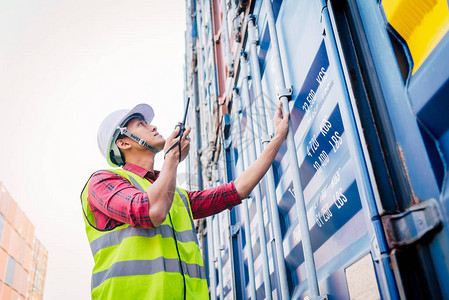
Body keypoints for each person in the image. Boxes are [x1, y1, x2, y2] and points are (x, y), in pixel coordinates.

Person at [81, 101, 289, 299]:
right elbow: (150, 211)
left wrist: (278, 137)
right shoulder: (102, 181)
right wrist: (172, 158)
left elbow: (237, 190)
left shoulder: (175, 196)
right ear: (123, 142)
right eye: (141, 124)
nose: (153, 127)